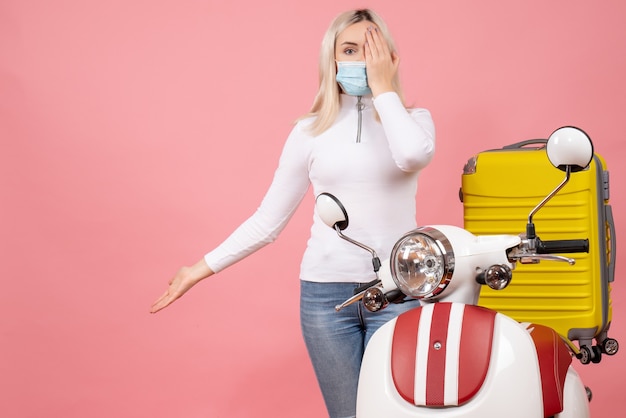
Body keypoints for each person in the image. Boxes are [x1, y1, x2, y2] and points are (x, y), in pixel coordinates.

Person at [151, 8, 435, 418]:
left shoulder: (414, 121)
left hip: (398, 292)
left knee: (393, 412)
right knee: (348, 414)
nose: (360, 60)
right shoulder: (309, 131)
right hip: (325, 298)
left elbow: (410, 156)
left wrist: (384, 89)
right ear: (331, 59)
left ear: (389, 58)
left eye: (371, 50)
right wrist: (198, 269)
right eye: (349, 50)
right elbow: (268, 221)